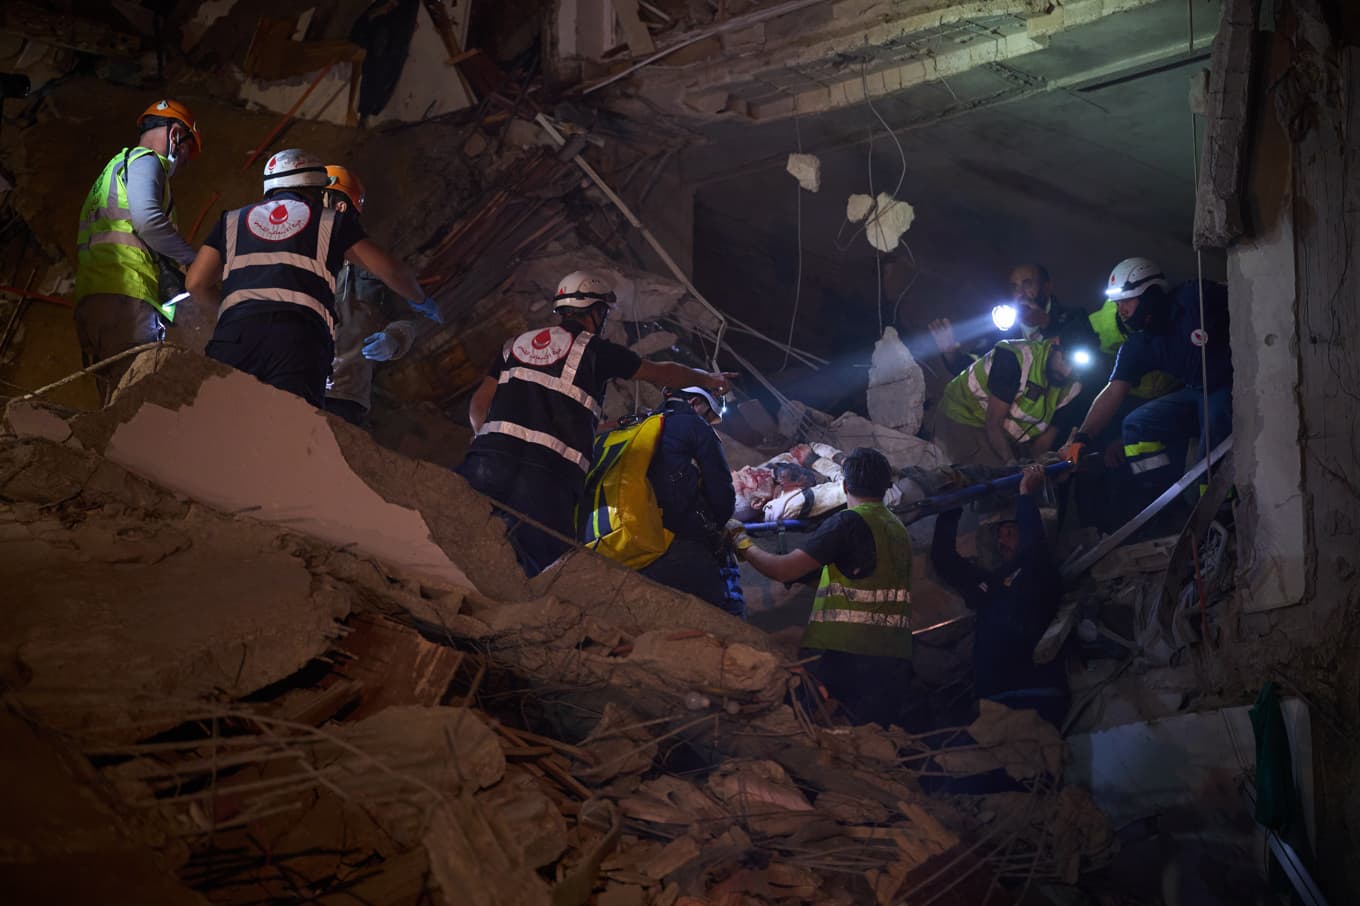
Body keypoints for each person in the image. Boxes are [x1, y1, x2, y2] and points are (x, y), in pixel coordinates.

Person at [460, 270, 737, 577]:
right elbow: (664, 373)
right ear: (596, 311)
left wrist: (486, 441)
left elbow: (479, 404)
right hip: (546, 478)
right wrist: (708, 379)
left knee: (458, 533)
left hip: (488, 458)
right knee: (537, 569)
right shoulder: (594, 350)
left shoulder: (514, 345)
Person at [185, 149, 432, 408]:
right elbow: (396, 273)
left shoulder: (234, 220)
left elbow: (195, 283)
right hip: (298, 345)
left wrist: (231, 313)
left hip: (241, 339)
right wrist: (420, 297)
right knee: (290, 433)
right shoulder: (330, 224)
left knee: (219, 419)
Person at [728, 448, 912, 727]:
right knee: (875, 744)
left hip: (843, 654)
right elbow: (865, 573)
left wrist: (741, 542)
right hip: (892, 657)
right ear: (886, 487)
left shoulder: (847, 523)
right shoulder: (896, 527)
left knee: (812, 731)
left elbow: (782, 569)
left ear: (845, 485)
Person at [1064, 257, 1232, 514]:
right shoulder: (1139, 344)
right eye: (1118, 304)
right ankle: (1160, 493)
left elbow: (1243, 293)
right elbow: (1113, 391)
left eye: (1127, 301)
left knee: (1211, 444)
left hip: (1229, 386)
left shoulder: (1194, 298)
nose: (1122, 311)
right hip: (1196, 391)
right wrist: (1083, 438)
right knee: (1137, 424)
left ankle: (1219, 510)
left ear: (1151, 293)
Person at [73, 99, 201, 402]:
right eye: (186, 153)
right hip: (128, 295)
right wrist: (196, 263)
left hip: (95, 298)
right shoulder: (147, 161)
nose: (183, 164)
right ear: (174, 137)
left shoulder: (112, 171)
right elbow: (149, 223)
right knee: (137, 406)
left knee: (114, 406)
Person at [930, 463, 1069, 727]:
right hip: (993, 704)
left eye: (1011, 532)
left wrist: (1026, 495)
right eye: (1000, 534)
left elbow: (1032, 550)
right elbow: (945, 560)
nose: (1002, 541)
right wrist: (951, 507)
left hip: (1036, 700)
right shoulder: (991, 583)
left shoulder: (1040, 572)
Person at [319, 165, 440, 427]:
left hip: (345, 393)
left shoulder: (374, 266)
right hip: (294, 378)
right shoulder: (295, 257)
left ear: (340, 208)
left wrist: (393, 340)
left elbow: (406, 319)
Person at [637, 386, 743, 615]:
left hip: (641, 544)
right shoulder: (693, 424)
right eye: (707, 415)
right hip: (684, 544)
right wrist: (715, 527)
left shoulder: (641, 425)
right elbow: (721, 493)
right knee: (717, 626)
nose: (708, 421)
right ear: (695, 403)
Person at [929, 333, 1087, 468]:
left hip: (1007, 438)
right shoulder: (1016, 356)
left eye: (1076, 369)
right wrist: (1012, 464)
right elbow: (993, 424)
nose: (1067, 372)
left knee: (1026, 486)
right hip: (963, 417)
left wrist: (1036, 467)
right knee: (993, 484)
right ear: (1055, 343)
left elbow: (1043, 444)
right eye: (1066, 361)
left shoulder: (1073, 387)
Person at [929, 263, 1096, 376]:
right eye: (1014, 287)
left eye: (1027, 284)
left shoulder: (1074, 316)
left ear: (1047, 287)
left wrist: (1046, 322)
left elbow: (1089, 354)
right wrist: (952, 354)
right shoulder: (1003, 329)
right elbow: (977, 368)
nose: (1020, 293)